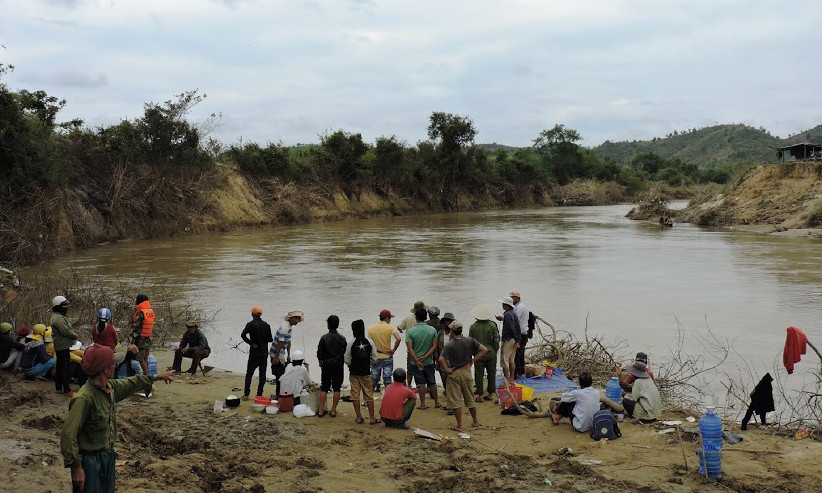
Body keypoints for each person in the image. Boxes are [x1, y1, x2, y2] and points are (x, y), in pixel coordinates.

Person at [60, 344, 174, 493]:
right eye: (113, 363)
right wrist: (76, 467)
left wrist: (156, 377)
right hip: (89, 461)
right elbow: (68, 435)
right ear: (104, 369)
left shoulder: (110, 388)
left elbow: (131, 383)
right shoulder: (84, 398)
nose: (115, 366)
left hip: (107, 456)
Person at [438, 321, 487, 431]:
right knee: (469, 398)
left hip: (454, 373)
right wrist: (473, 360)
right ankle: (475, 421)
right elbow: (484, 350)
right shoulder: (469, 340)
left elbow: (441, 359)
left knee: (455, 400)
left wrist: (446, 369)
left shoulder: (450, 344)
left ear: (452, 331)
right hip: (466, 371)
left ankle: (459, 425)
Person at [345, 319, 379, 424]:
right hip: (366, 372)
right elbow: (374, 357)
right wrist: (368, 364)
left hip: (354, 373)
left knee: (355, 394)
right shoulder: (369, 342)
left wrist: (351, 365)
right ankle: (372, 418)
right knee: (369, 394)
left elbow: (346, 359)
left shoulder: (351, 342)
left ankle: (359, 417)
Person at [406, 308, 439, 409]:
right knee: (432, 382)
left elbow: (410, 348)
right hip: (428, 360)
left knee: (420, 383)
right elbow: (434, 346)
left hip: (416, 363)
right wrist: (425, 356)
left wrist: (417, 360)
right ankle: (437, 402)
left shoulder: (411, 331)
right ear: (426, 317)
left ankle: (423, 404)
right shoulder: (432, 330)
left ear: (416, 318)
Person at [616, 352, 662, 422]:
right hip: (656, 413)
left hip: (647, 415)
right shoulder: (649, 378)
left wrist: (626, 395)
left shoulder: (638, 382)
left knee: (626, 401)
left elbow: (634, 398)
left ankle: (636, 418)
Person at [316, 315, 347, 417]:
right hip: (338, 365)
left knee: (324, 387)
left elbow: (319, 353)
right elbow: (344, 353)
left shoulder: (324, 338)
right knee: (337, 388)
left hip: (326, 365)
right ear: (337, 325)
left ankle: (320, 410)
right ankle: (333, 410)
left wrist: (321, 363)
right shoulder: (342, 338)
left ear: (328, 325)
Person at [241, 305, 273, 400]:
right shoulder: (266, 325)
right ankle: (259, 394)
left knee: (249, 373)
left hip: (254, 352)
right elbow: (269, 339)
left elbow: (243, 335)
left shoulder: (250, 324)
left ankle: (246, 394)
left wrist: (251, 343)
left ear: (252, 314)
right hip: (264, 353)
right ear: (260, 314)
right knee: (262, 374)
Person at [468, 306, 500, 402]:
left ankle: (480, 394)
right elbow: (496, 340)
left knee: (479, 374)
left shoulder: (473, 326)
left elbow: (471, 342)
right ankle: (490, 393)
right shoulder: (492, 325)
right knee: (491, 373)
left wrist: (473, 354)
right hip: (491, 352)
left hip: (479, 353)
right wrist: (495, 350)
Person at [269, 309, 303, 397]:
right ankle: (279, 395)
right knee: (280, 377)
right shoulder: (285, 327)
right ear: (290, 318)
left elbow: (288, 342)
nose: (297, 321)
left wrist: (288, 355)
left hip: (281, 353)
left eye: (298, 319)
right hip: (277, 353)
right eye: (296, 318)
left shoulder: (289, 327)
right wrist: (276, 358)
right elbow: (279, 344)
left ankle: (280, 395)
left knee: (282, 375)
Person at [51, 295, 79, 395]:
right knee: (65, 367)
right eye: (64, 305)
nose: (66, 307)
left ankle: (58, 388)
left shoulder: (56, 316)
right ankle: (67, 390)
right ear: (58, 306)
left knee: (60, 366)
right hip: (62, 345)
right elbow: (65, 331)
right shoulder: (59, 318)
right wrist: (75, 335)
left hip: (60, 345)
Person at [368, 309, 401, 393]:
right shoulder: (390, 327)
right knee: (387, 379)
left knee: (373, 379)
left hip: (375, 357)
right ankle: (388, 398)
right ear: (386, 318)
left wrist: (381, 351)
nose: (390, 320)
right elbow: (398, 339)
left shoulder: (371, 328)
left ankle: (367, 399)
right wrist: (393, 350)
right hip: (387, 357)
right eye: (390, 318)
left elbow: (370, 345)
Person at [130, 294, 155, 376]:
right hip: (149, 337)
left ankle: (146, 375)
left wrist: (133, 340)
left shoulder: (141, 312)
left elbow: (136, 326)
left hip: (141, 338)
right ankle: (146, 374)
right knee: (145, 358)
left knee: (140, 359)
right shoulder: (150, 311)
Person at [498, 296, 520, 386]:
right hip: (514, 340)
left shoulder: (507, 314)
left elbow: (511, 328)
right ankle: (512, 379)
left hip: (508, 339)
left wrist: (514, 338)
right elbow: (517, 328)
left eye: (503, 304)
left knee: (505, 360)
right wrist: (517, 340)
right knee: (512, 360)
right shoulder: (513, 314)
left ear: (506, 305)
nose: (502, 305)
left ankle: (506, 381)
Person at [510, 291, 529, 379]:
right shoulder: (521, 306)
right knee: (520, 353)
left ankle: (516, 373)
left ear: (516, 298)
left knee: (517, 354)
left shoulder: (519, 308)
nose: (511, 300)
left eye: (512, 298)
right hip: (523, 333)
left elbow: (514, 320)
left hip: (520, 333)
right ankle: (521, 372)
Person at [435, 312, 455, 395]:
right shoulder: (440, 333)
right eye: (446, 321)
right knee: (445, 382)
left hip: (454, 362)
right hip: (442, 362)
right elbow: (437, 349)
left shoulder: (456, 334)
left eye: (449, 321)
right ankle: (448, 398)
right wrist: (436, 362)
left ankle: (452, 401)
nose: (448, 323)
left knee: (453, 383)